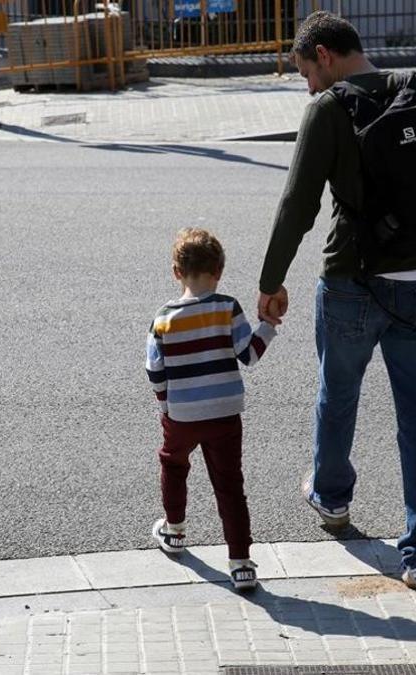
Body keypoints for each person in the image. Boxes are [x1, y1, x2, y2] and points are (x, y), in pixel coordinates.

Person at [256, 11, 416, 595]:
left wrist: (271, 282)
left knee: (337, 393)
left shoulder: (326, 109)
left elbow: (298, 206)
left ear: (321, 53)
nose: (309, 86)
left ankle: (332, 498)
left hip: (350, 282)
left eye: (305, 73)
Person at [145, 228, 278, 592]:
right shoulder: (227, 307)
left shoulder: (163, 318)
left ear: (176, 272)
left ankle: (174, 531)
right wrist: (269, 326)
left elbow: (155, 370)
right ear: (218, 270)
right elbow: (248, 354)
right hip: (224, 412)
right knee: (229, 483)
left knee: (173, 465)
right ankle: (241, 563)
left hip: (182, 413)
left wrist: (165, 406)